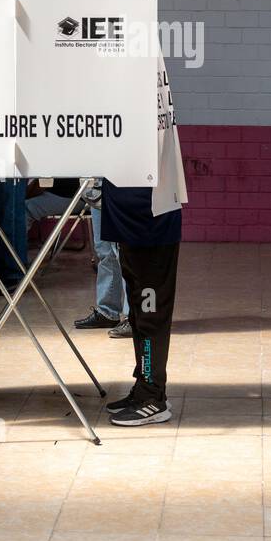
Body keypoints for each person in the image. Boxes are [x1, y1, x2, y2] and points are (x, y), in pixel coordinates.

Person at [101, 180, 182, 425]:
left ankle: (153, 397)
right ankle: (144, 388)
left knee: (150, 315)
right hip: (129, 225)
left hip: (150, 223)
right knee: (137, 314)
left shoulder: (152, 142)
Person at [74, 179, 132, 338]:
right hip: (96, 185)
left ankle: (132, 316)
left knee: (124, 251)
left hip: (119, 182)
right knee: (104, 251)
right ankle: (107, 312)